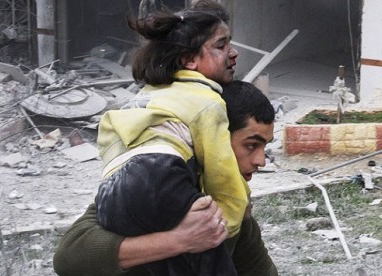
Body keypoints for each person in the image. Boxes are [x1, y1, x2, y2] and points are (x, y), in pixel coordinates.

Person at [54, 81, 278, 276]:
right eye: (251, 145)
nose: (261, 160)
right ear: (216, 139)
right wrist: (179, 240)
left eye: (264, 147)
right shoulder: (156, 184)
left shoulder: (231, 201)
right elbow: (68, 258)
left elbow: (257, 267)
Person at [94, 1, 248, 274]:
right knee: (208, 253)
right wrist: (225, 223)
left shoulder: (145, 97)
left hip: (109, 195)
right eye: (221, 45)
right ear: (189, 60)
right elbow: (221, 175)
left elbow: (109, 139)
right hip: (159, 177)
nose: (233, 53)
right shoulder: (206, 100)